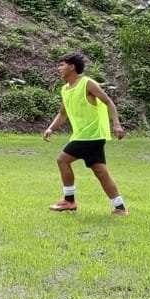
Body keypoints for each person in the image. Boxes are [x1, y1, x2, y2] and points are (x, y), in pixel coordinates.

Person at [43, 53, 128, 215]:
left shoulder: (87, 83)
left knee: (62, 160)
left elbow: (108, 102)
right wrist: (51, 128)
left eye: (62, 65)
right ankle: (120, 208)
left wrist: (116, 124)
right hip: (83, 136)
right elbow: (63, 114)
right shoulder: (65, 89)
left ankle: (69, 201)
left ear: (72, 67)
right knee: (100, 172)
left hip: (91, 135)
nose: (58, 68)